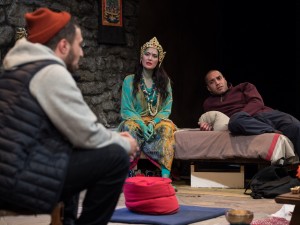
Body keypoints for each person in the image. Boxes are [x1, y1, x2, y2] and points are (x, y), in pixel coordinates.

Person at [0, 7, 139, 225]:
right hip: (19, 182)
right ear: (64, 46)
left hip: (13, 175)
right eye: (79, 45)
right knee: (115, 157)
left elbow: (77, 132)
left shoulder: (18, 69)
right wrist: (124, 143)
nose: (82, 53)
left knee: (70, 152)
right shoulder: (50, 72)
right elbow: (87, 133)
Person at [198, 69, 300, 157]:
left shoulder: (244, 87)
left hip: (264, 114)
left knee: (295, 126)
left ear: (224, 79)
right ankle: (274, 132)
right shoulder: (208, 104)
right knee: (234, 122)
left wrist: (242, 114)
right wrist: (206, 127)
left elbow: (256, 102)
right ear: (208, 88)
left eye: (219, 78)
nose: (217, 83)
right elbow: (212, 121)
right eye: (212, 82)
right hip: (243, 123)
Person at [118, 37, 177, 179]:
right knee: (129, 127)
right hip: (135, 119)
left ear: (159, 60)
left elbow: (166, 109)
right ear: (141, 56)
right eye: (147, 54)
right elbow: (127, 109)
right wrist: (142, 125)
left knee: (167, 128)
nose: (150, 58)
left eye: (154, 55)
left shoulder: (165, 82)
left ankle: (165, 178)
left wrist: (152, 123)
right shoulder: (129, 80)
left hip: (156, 121)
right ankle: (128, 175)